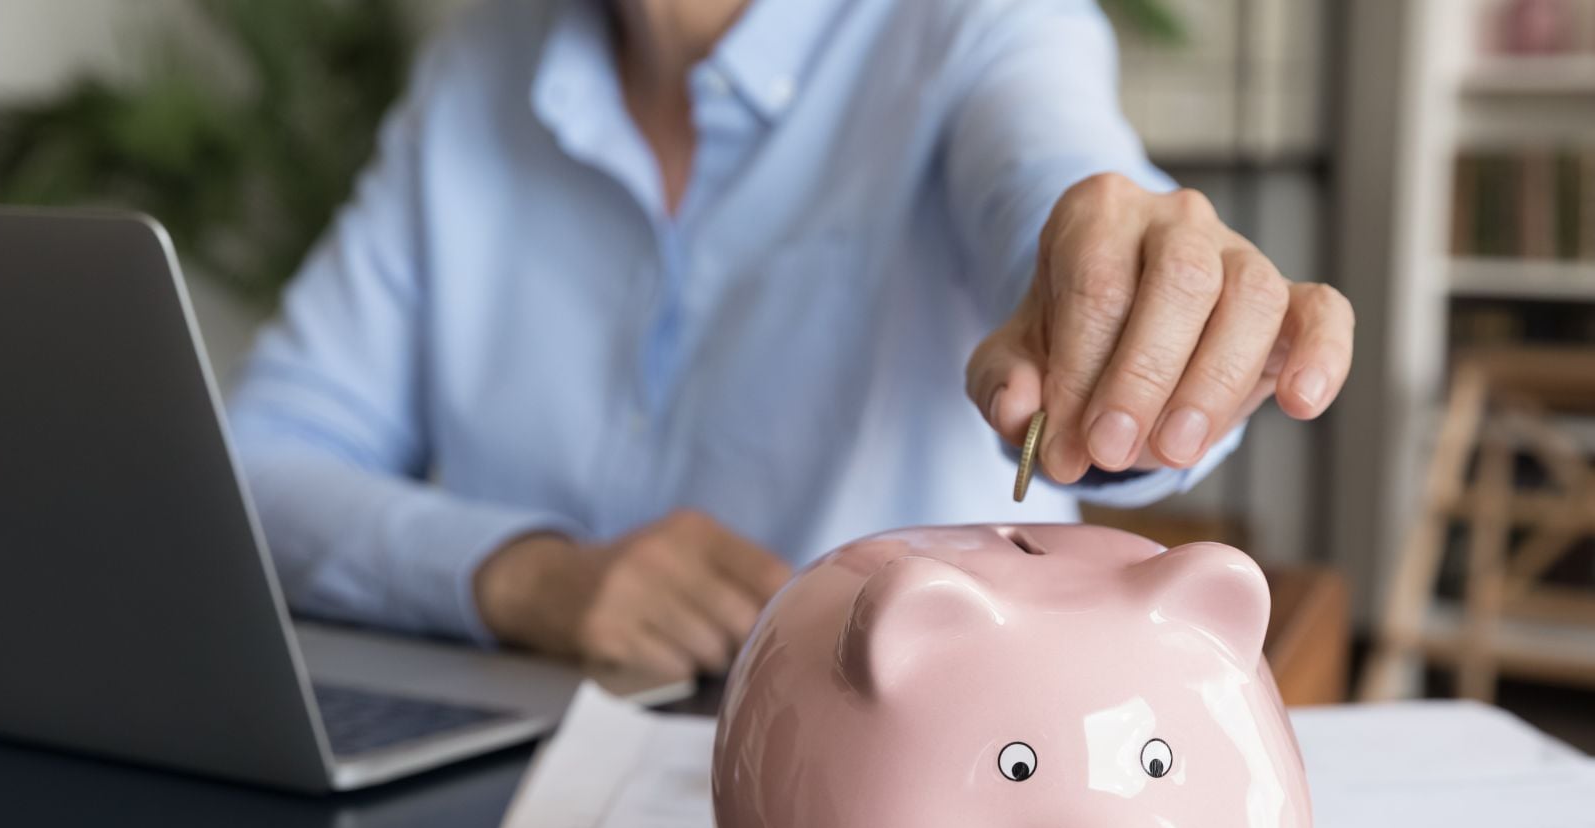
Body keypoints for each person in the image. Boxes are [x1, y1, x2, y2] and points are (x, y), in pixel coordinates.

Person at [228, 0, 1354, 683]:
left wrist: (1127, 290)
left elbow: (1058, 186)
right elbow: (259, 463)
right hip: (514, 780)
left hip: (904, 798)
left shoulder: (978, 26)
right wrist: (528, 578)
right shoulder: (476, 71)